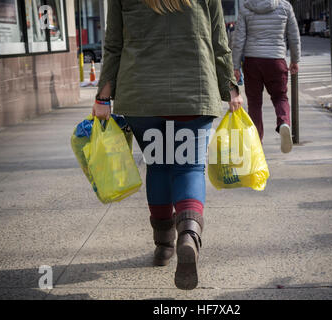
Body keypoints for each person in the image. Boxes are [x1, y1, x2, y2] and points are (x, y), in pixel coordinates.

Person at [92, 0, 243, 290]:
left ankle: (164, 246)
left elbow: (113, 45)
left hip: (142, 96)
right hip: (194, 92)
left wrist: (103, 96)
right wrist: (231, 88)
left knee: (158, 167)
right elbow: (219, 43)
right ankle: (189, 235)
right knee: (189, 168)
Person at [232, 0, 301, 153]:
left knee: (255, 104)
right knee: (280, 97)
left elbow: (238, 40)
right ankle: (283, 123)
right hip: (276, 59)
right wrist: (295, 60)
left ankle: (257, 143)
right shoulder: (285, 6)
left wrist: (235, 66)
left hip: (252, 61)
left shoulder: (246, 7)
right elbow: (294, 36)